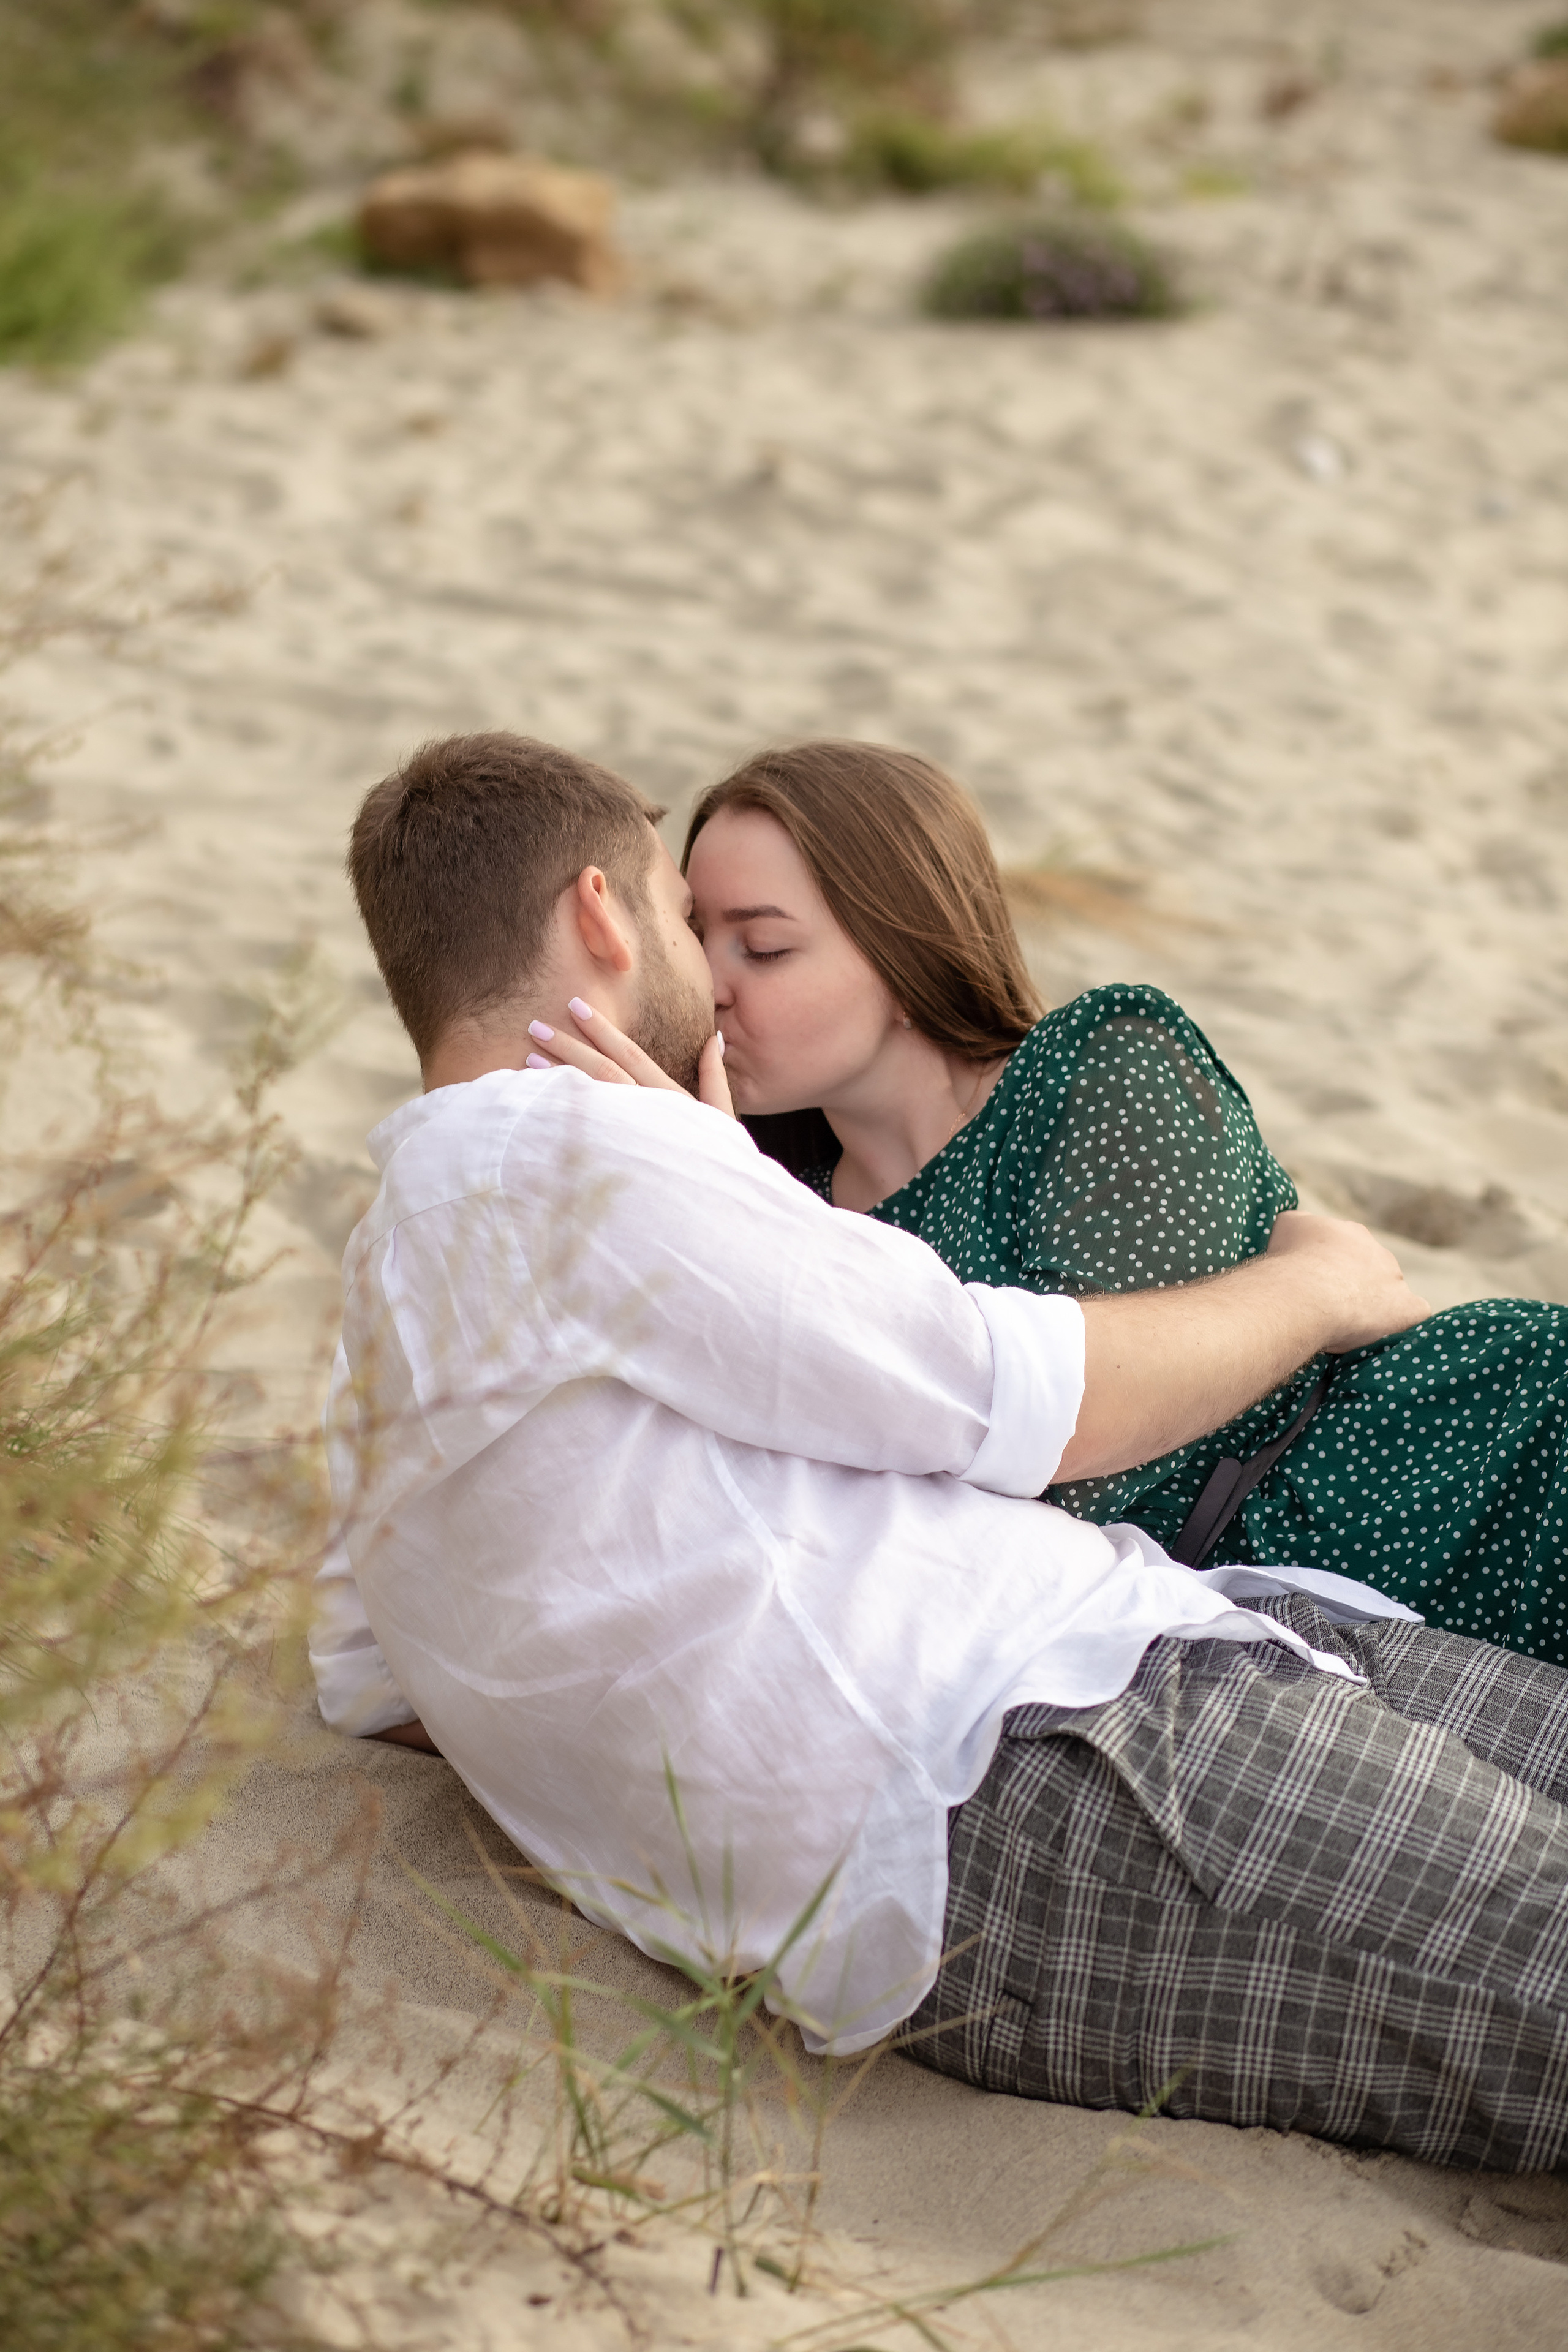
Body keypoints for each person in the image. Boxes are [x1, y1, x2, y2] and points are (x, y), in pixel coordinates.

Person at [317, 728, 1568, 2173]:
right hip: (1045, 1734)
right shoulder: (589, 1157)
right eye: (681, 916)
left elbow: (378, 1678)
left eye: (757, 939)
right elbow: (1010, 1399)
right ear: (602, 917)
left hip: (1194, 1617)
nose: (709, 973)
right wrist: (1316, 1283)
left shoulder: (408, 1266)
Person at [655, 741, 1565, 1665]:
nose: (711, 988)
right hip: (1280, 1642)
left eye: (763, 947)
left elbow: (1088, 1452)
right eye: (696, 942)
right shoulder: (796, 1216)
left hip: (1470, 1466)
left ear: (904, 951)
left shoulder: (1102, 1065)